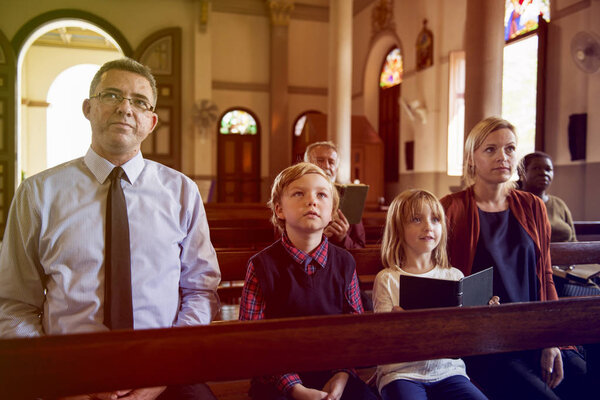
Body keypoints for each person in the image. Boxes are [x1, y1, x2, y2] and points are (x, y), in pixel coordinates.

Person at [0, 58, 221, 400]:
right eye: (112, 95)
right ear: (88, 108)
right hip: (67, 371)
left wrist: (166, 369)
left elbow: (200, 291)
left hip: (162, 366)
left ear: (152, 120)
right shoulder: (38, 194)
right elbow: (14, 304)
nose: (125, 108)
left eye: (139, 102)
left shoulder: (181, 192)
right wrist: (55, 375)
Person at [440, 116, 590, 399]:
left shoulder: (531, 206)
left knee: (585, 379)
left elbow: (545, 275)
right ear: (472, 157)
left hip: (534, 331)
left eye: (509, 149)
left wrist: (552, 339)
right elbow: (440, 279)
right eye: (490, 149)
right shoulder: (452, 208)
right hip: (484, 341)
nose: (502, 157)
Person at [239, 162, 377, 400]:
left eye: (321, 195)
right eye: (299, 193)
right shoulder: (261, 266)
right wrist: (295, 388)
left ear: (333, 211)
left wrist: (342, 375)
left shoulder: (344, 263)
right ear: (279, 209)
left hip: (335, 373)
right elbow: (253, 343)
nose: (312, 201)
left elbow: (355, 331)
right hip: (276, 379)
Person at [373, 189, 489, 400]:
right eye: (416, 219)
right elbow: (382, 340)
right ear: (398, 228)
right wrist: (395, 324)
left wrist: (484, 313)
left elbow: (467, 334)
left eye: (435, 219)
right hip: (401, 373)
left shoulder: (454, 276)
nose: (428, 227)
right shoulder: (387, 279)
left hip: (449, 371)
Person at [304, 141, 366, 249]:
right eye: (320, 160)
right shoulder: (294, 196)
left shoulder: (350, 198)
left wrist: (343, 238)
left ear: (336, 169)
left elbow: (360, 247)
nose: (326, 166)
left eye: (331, 162)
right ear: (305, 166)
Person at [518, 151, 576, 242]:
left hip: (567, 254)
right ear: (522, 173)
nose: (544, 173)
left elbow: (574, 241)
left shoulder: (559, 204)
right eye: (536, 168)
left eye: (548, 169)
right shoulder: (514, 202)